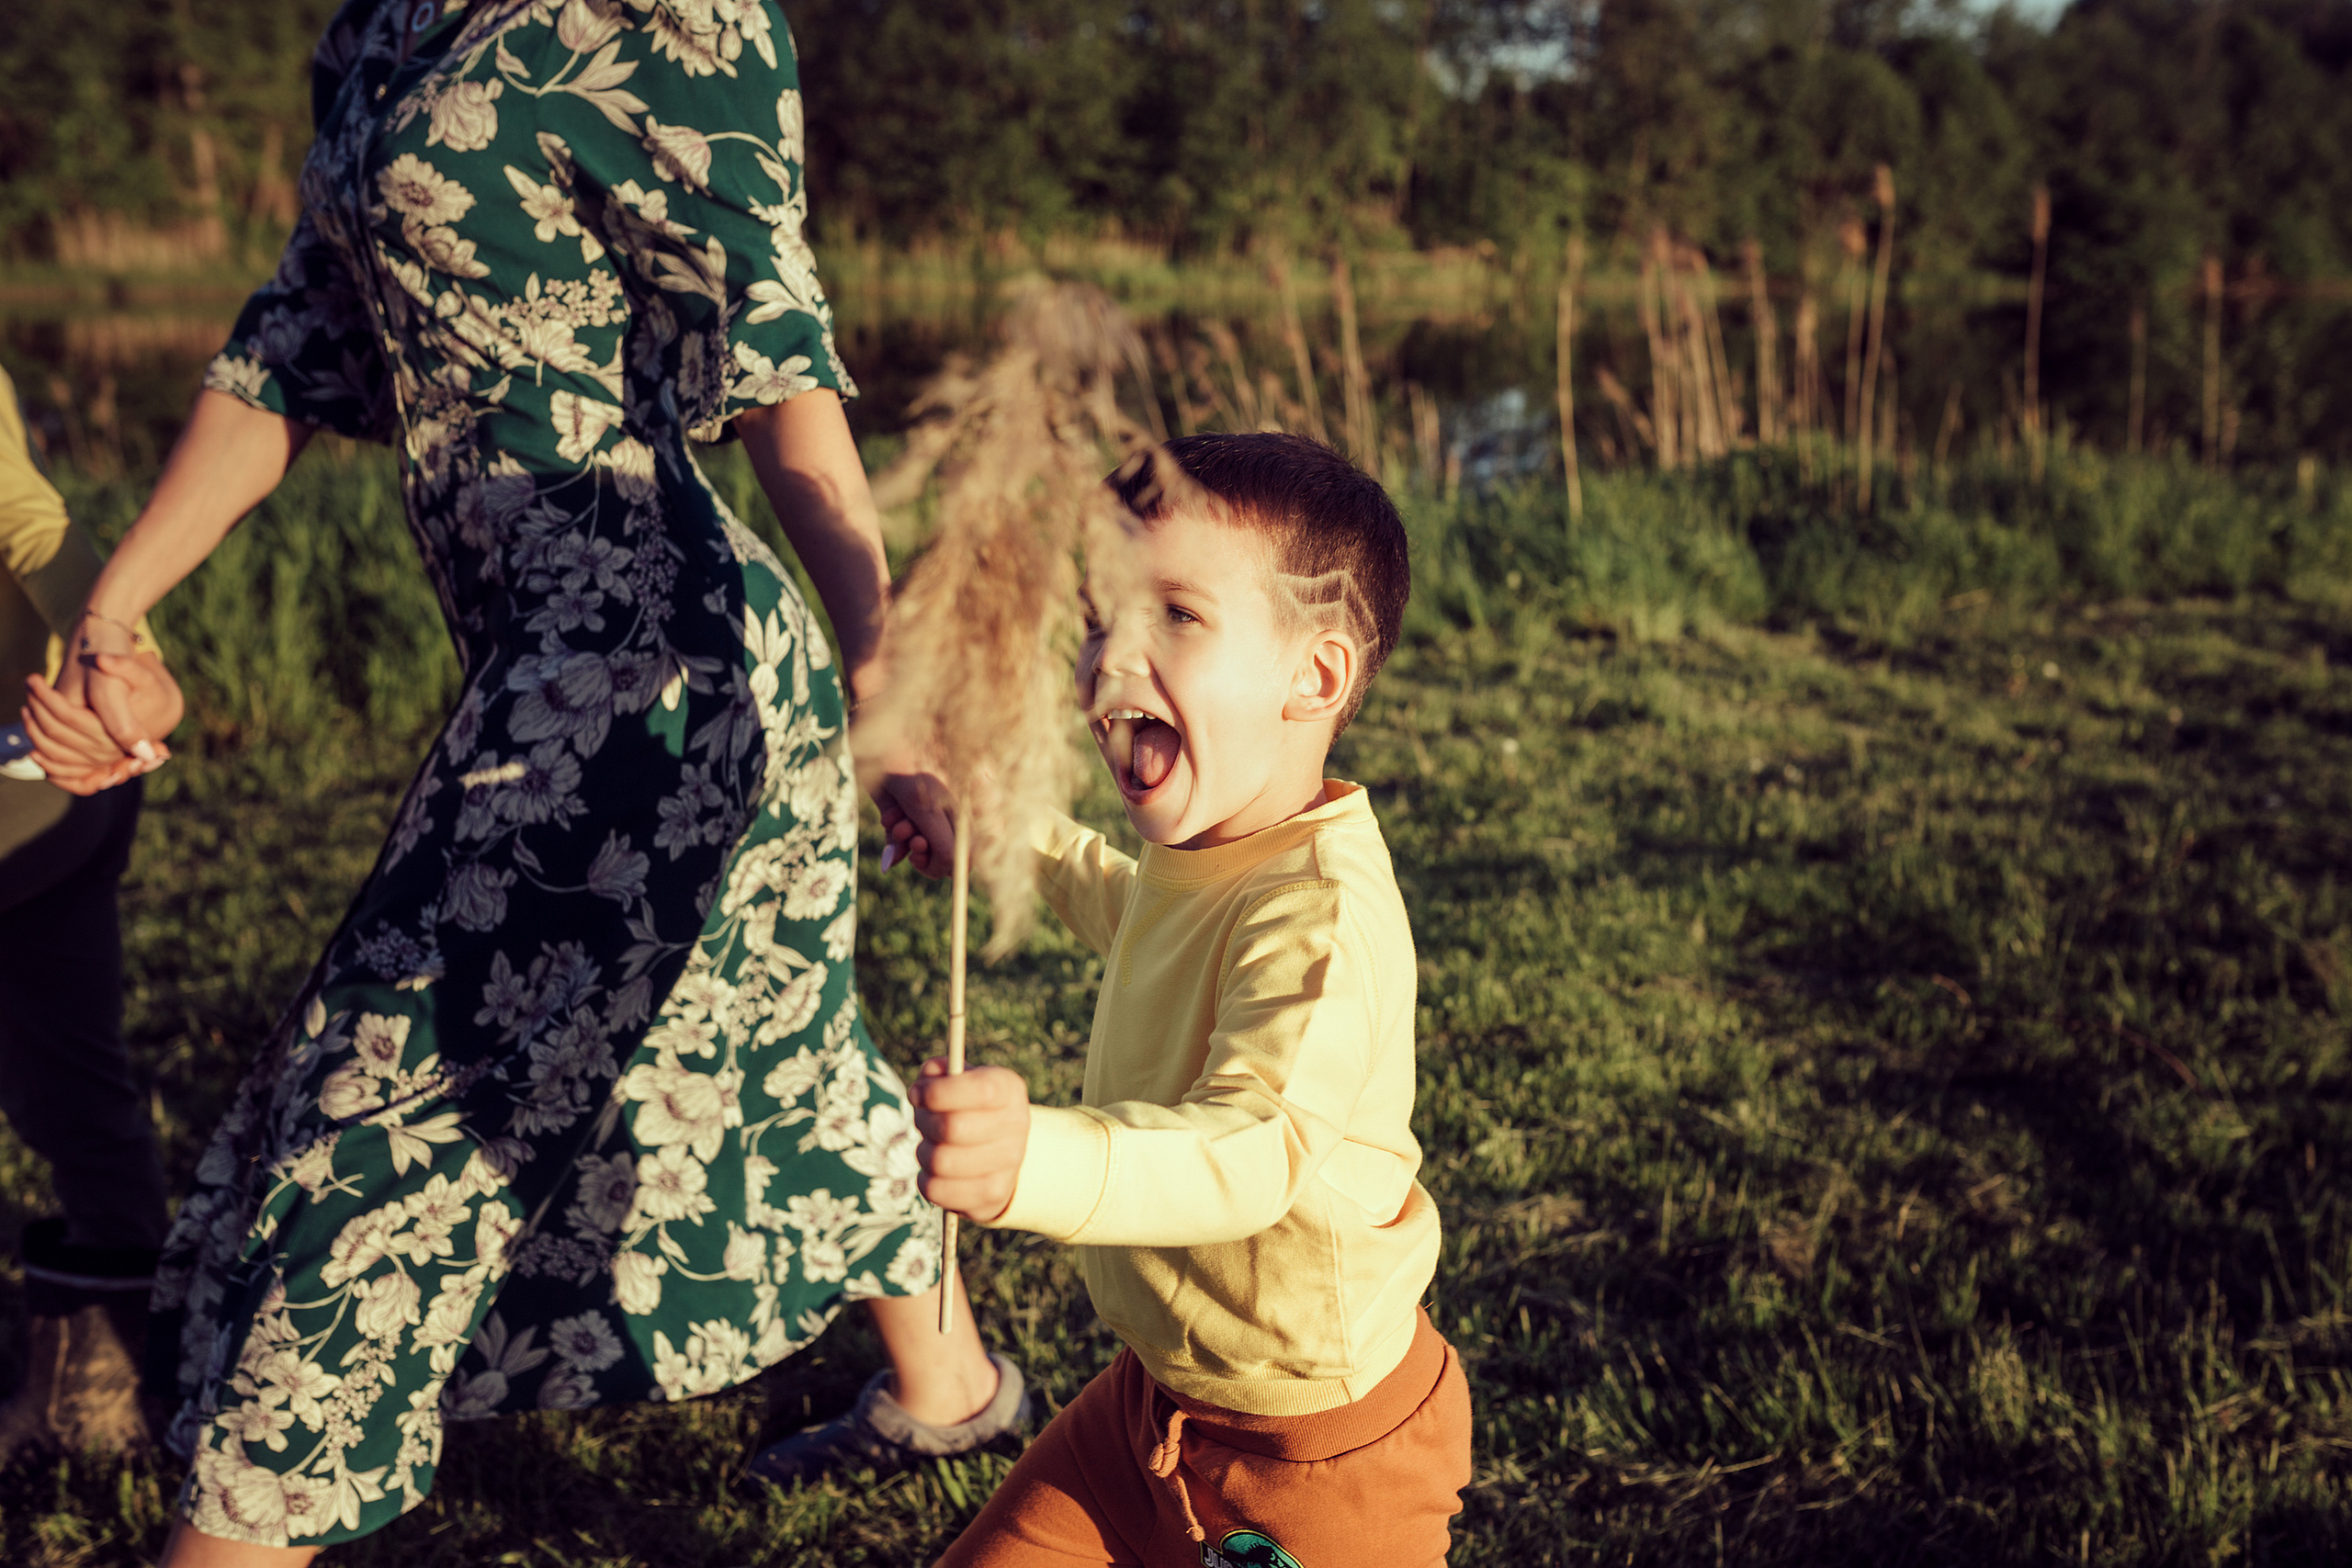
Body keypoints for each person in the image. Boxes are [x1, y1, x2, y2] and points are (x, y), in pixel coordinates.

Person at [28, 4, 1025, 1560]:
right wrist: (118, 608)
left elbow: (777, 359)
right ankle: (952, 1392)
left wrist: (887, 682)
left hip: (653, 670)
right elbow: (299, 344)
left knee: (373, 1147)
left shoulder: (665, 18)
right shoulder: (385, 22)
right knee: (772, 1031)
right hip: (536, 663)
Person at [902, 433, 1474, 1568]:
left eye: (1177, 615)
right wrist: (1006, 838)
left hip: (1314, 1454)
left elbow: (1254, 1144)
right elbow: (1141, 917)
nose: (1112, 661)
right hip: (1147, 1408)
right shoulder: (1222, 844)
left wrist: (1036, 1165)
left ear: (1314, 677)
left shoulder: (1317, 917)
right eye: (1099, 614)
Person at [0, 363, 181, 1461]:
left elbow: (31, 527)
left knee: (68, 1085)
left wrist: (124, 664)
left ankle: (105, 1381)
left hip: (39, 788)